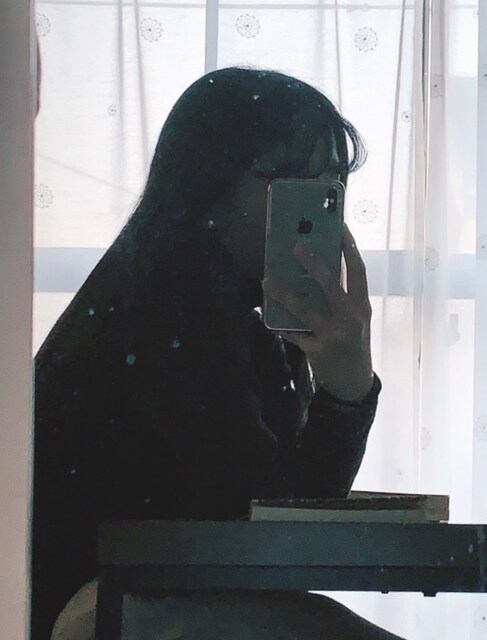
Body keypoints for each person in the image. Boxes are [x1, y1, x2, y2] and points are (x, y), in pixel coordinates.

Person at [31, 67, 400, 640]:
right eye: (291, 181)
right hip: (100, 609)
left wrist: (345, 390)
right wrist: (344, 396)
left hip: (133, 597)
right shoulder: (171, 293)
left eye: (330, 186)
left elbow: (282, 525)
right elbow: (260, 524)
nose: (316, 210)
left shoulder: (232, 304)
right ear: (210, 184)